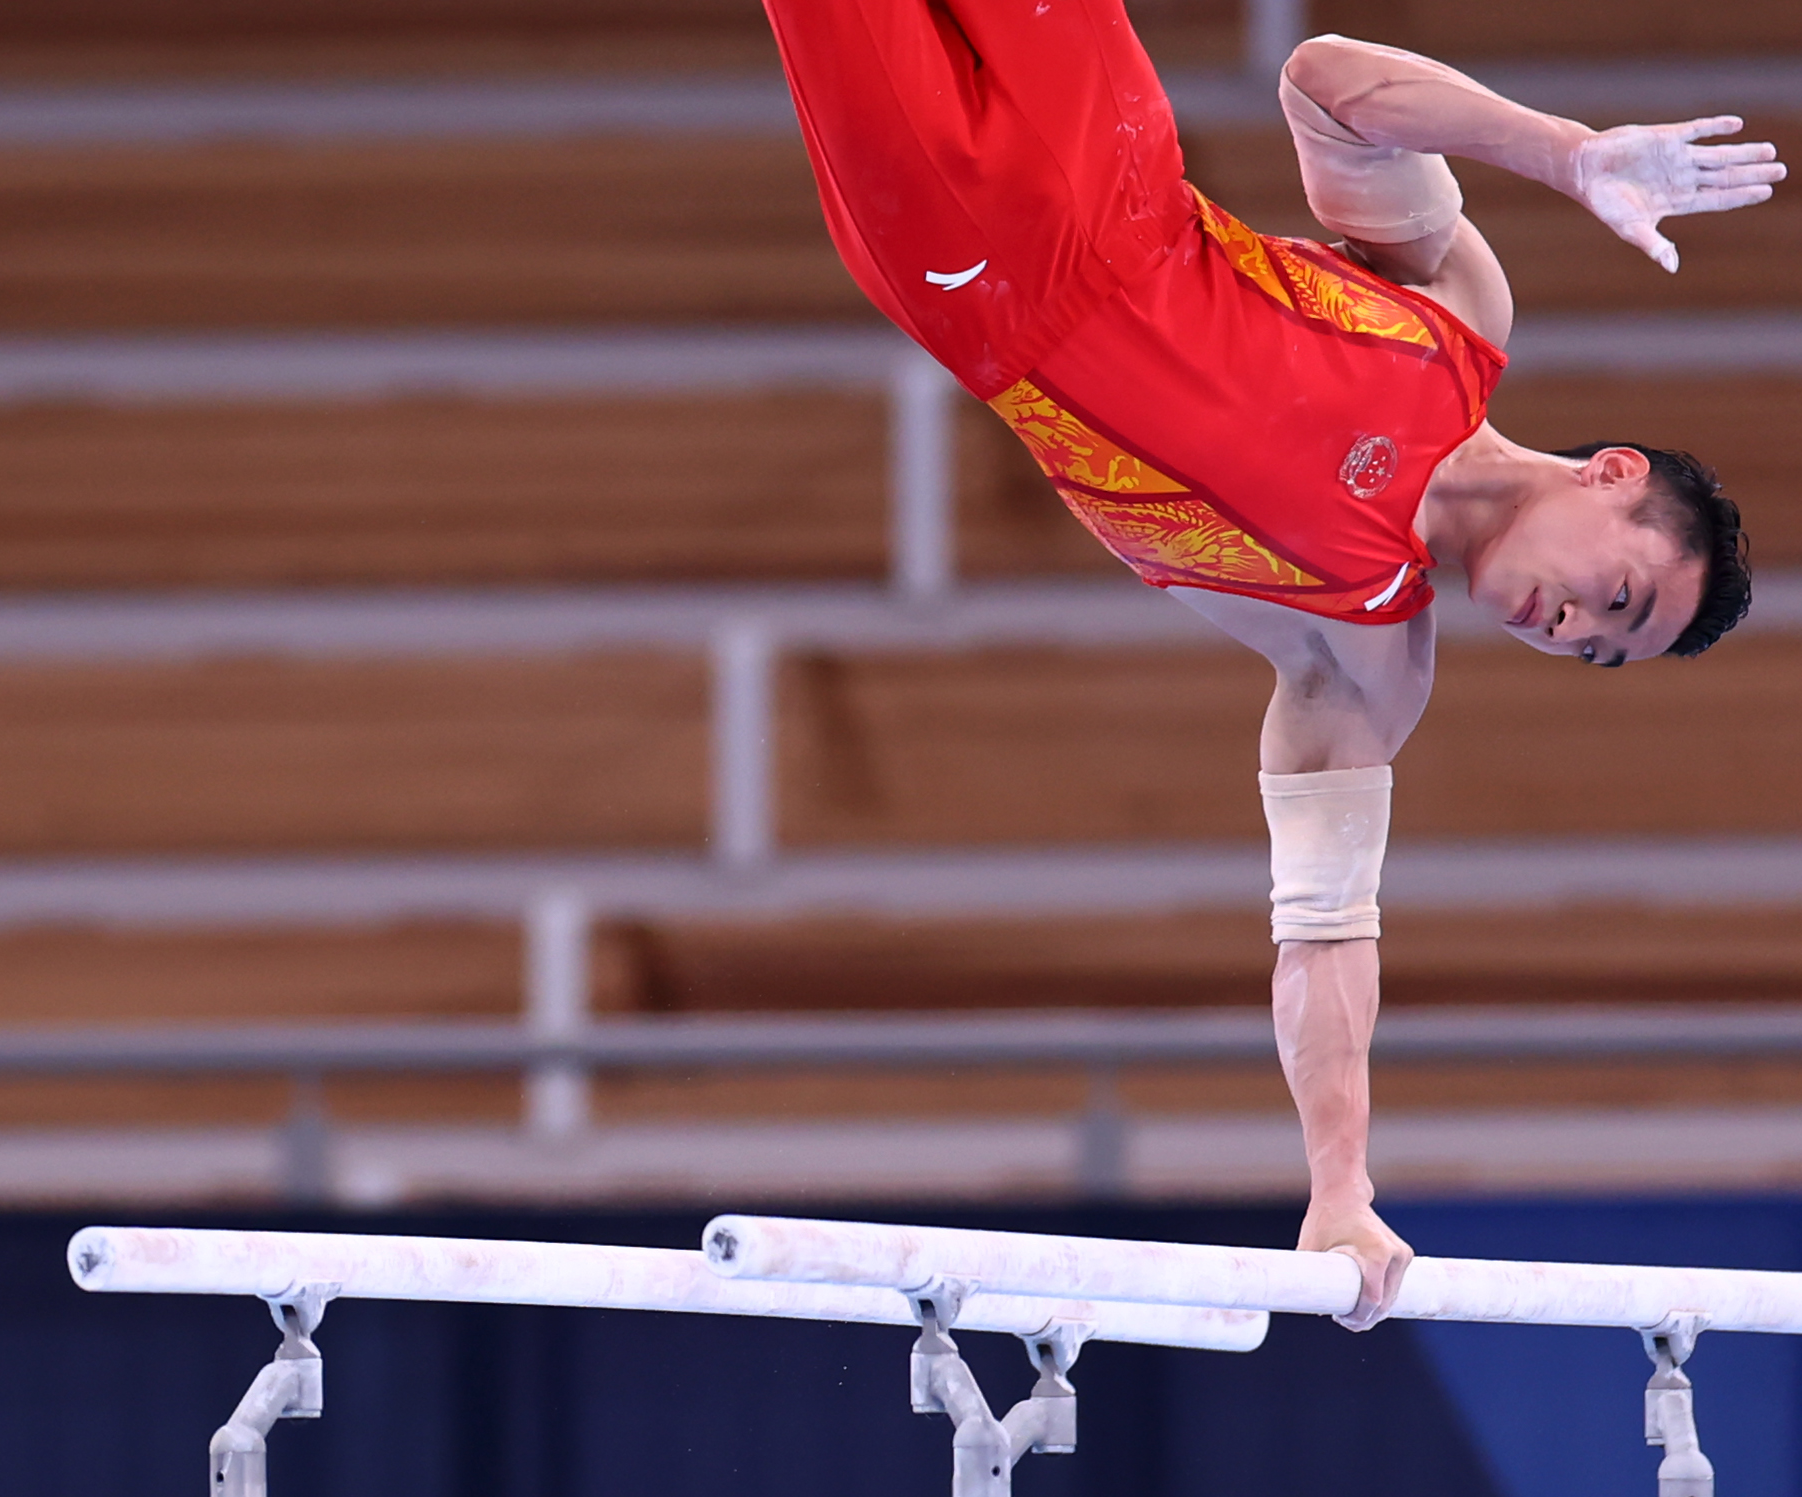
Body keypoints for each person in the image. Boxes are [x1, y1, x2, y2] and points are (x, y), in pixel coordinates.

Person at [758, 0, 1784, 1327]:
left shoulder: (1364, 657)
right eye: (1618, 596)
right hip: (1118, 152)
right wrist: (1568, 155)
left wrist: (1340, 1184)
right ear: (1613, 476)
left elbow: (1328, 932)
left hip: (974, 268)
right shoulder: (1458, 309)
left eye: (1603, 651)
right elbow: (1331, 85)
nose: (1577, 632)